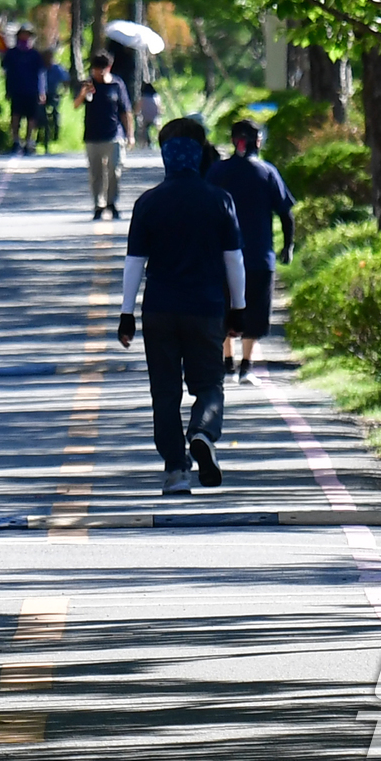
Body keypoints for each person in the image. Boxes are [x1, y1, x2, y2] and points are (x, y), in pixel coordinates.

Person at [117, 118, 247, 495]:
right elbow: (234, 260)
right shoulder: (219, 200)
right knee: (208, 385)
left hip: (159, 308)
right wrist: (238, 309)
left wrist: (127, 314)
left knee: (165, 391)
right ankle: (203, 432)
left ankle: (175, 469)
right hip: (205, 307)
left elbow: (134, 264)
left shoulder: (148, 202)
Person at [211, 119, 296, 380]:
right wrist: (288, 246)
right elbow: (286, 213)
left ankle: (226, 360)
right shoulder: (267, 172)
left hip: (222, 254)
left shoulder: (217, 172)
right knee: (255, 310)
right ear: (257, 141)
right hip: (259, 255)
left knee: (225, 306)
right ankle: (246, 364)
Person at [73, 50, 134, 219]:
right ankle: (98, 204)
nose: (98, 72)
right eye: (95, 68)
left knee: (114, 169)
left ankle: (111, 202)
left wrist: (130, 134)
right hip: (93, 136)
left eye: (102, 68)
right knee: (96, 173)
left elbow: (125, 111)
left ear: (109, 67)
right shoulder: (88, 85)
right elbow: (76, 105)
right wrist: (83, 94)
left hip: (114, 135)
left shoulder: (117, 84)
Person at [1, 25, 46, 154]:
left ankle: (28, 141)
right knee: (15, 116)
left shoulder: (35, 54)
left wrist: (42, 91)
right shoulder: (12, 53)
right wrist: (7, 88)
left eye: (27, 34)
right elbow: (5, 69)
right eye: (23, 34)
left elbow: (41, 73)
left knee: (32, 118)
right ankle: (16, 141)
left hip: (31, 90)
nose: (25, 37)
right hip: (16, 89)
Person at [136, 81, 162, 148]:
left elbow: (138, 108)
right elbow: (159, 107)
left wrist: (136, 113)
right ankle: (160, 139)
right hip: (155, 116)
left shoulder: (142, 98)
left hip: (146, 117)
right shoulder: (156, 97)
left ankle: (143, 143)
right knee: (158, 127)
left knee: (143, 129)